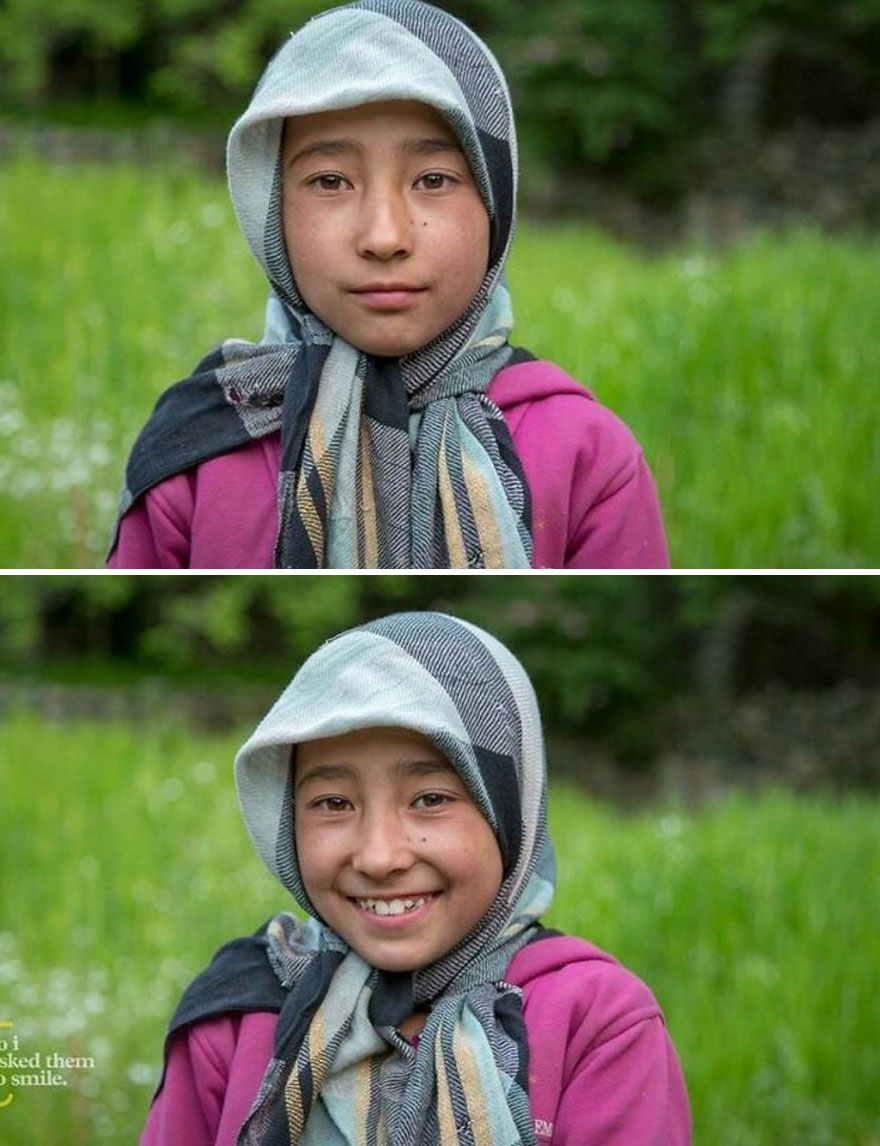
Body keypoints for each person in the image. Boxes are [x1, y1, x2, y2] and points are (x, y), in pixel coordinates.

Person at [108, 0, 669, 569]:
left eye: (433, 180)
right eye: (331, 181)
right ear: (271, 213)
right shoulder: (194, 454)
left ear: (494, 203)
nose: (384, 236)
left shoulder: (586, 456)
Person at [140, 611, 691, 1146]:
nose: (379, 857)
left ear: (509, 810)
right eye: (333, 803)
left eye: (430, 799)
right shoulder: (234, 1021)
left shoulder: (597, 1025)